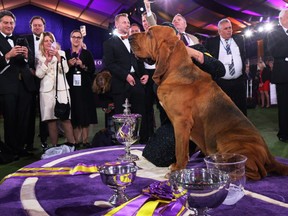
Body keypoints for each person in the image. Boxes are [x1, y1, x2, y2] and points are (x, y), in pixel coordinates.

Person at [103, 13, 149, 143]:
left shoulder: (133, 41)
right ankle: (124, 145)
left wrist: (144, 73)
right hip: (121, 83)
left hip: (137, 81)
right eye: (124, 22)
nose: (127, 24)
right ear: (116, 24)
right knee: (123, 116)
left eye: (128, 22)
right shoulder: (109, 43)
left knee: (140, 114)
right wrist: (125, 75)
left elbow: (139, 60)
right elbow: (110, 64)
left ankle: (142, 144)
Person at [0, 10, 36, 159]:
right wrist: (8, 55)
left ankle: (21, 147)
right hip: (7, 86)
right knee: (10, 119)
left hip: (25, 86)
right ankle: (11, 150)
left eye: (11, 23)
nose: (9, 25)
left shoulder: (20, 39)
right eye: (5, 22)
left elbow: (32, 61)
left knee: (24, 118)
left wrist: (27, 56)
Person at [35, 31, 76, 147]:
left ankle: (72, 145)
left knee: (65, 119)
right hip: (47, 93)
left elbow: (65, 70)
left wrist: (58, 57)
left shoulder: (61, 53)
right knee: (51, 121)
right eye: (46, 41)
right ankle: (54, 148)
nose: (48, 43)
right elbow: (39, 74)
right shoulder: (39, 55)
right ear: (42, 43)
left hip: (62, 90)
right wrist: (47, 61)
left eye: (50, 41)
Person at [205, 18, 247, 116]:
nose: (229, 30)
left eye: (230, 28)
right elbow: (207, 61)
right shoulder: (212, 42)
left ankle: (241, 131)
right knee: (223, 113)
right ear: (219, 31)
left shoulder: (240, 39)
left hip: (239, 82)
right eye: (226, 29)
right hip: (221, 83)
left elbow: (244, 56)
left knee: (241, 112)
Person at [65, 29, 98, 147]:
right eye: (74, 37)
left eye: (78, 37)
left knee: (85, 113)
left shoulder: (87, 53)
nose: (76, 39)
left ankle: (85, 140)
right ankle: (76, 141)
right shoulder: (65, 53)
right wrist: (68, 65)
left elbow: (92, 71)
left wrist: (82, 65)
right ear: (70, 39)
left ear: (82, 39)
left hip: (85, 88)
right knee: (74, 113)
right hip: (70, 89)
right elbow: (61, 72)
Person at [25, 15, 49, 151]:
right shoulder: (24, 39)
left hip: (44, 80)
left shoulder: (48, 40)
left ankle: (44, 141)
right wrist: (30, 70)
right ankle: (28, 143)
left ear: (44, 27)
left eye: (40, 25)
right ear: (31, 27)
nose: (37, 27)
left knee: (44, 113)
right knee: (29, 113)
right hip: (29, 81)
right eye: (35, 25)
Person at [267, 8, 288, 142]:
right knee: (284, 106)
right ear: (281, 19)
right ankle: (284, 133)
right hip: (283, 75)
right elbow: (275, 51)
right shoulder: (274, 33)